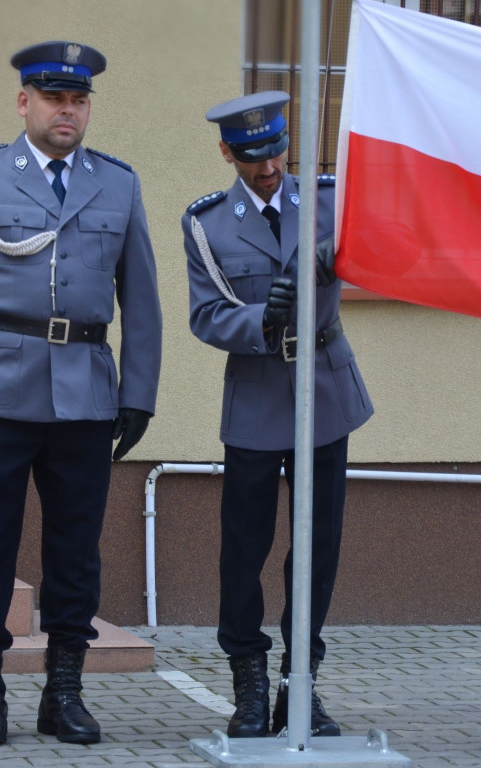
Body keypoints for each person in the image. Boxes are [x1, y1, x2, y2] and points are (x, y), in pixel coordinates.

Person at [0, 41, 162, 747]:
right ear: (25, 102)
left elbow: (140, 297)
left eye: (78, 100)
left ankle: (65, 693)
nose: (67, 111)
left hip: (85, 394)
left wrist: (138, 392)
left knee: (76, 552)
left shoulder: (117, 185)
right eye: (54, 98)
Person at [184, 91, 373, 738]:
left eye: (276, 153)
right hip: (259, 390)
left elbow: (379, 239)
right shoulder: (207, 224)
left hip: (323, 387)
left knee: (315, 548)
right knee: (244, 548)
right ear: (227, 153)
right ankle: (249, 681)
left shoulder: (325, 200)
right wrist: (261, 317)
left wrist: (333, 255)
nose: (268, 169)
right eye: (252, 157)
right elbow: (206, 315)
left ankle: (302, 682)